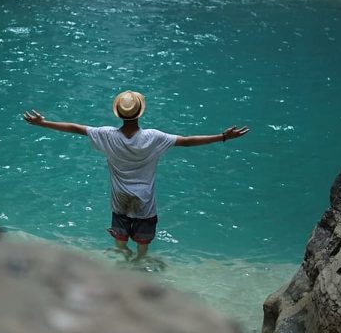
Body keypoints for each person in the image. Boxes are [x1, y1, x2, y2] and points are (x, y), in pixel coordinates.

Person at [23, 90, 249, 261]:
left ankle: (122, 258)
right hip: (145, 202)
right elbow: (187, 141)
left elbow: (76, 128)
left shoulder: (107, 135)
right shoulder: (154, 137)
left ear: (119, 113)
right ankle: (140, 261)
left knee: (120, 241)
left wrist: (43, 123)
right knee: (143, 242)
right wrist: (222, 137)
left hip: (120, 200)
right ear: (140, 112)